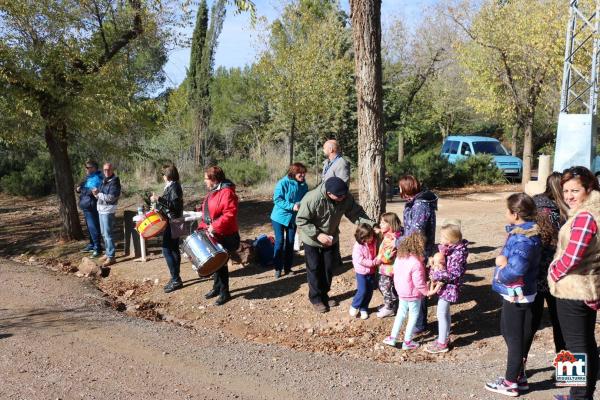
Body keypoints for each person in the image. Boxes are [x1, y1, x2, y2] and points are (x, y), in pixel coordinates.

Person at [548, 166, 600, 400]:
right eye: (565, 190)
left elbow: (572, 256)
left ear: (589, 189)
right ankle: (582, 394)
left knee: (573, 348)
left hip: (573, 289)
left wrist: (555, 272)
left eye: (575, 190)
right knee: (585, 344)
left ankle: (577, 396)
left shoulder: (585, 216)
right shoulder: (593, 212)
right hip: (585, 287)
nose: (568, 195)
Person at [485, 193, 541, 397]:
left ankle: (510, 382)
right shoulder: (523, 233)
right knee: (514, 335)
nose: (505, 213)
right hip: (521, 293)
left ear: (515, 214)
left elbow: (517, 270)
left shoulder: (523, 239)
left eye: (507, 210)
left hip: (516, 294)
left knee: (513, 336)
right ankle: (520, 377)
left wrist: (501, 270)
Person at [296, 176, 374, 313]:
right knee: (314, 268)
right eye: (339, 196)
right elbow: (301, 220)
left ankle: (324, 295)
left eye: (344, 195)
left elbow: (356, 214)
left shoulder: (344, 197)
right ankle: (316, 298)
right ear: (329, 193)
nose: (343, 198)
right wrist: (318, 234)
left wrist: (373, 225)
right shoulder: (312, 198)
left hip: (331, 238)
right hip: (311, 239)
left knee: (328, 268)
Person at [524, 173, 567, 363]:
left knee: (532, 323)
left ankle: (516, 372)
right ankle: (566, 372)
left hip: (542, 275)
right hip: (550, 275)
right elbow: (535, 244)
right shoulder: (549, 212)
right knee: (559, 324)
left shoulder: (539, 208)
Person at [398, 175, 438, 333]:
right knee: (412, 284)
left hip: (418, 252)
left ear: (406, 188)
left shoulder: (420, 205)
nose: (399, 189)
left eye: (400, 186)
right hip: (412, 250)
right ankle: (415, 319)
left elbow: (416, 233)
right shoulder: (413, 203)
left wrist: (397, 242)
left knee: (418, 285)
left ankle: (419, 323)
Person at [424, 220, 469, 354]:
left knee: (441, 313)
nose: (441, 239)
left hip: (450, 287)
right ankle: (444, 336)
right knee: (445, 312)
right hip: (445, 286)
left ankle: (442, 343)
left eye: (443, 237)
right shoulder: (450, 249)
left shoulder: (457, 254)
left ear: (451, 239)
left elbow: (455, 273)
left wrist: (437, 274)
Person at [198, 166, 240, 306]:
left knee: (221, 264)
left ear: (213, 179)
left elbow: (229, 214)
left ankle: (225, 293)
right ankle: (216, 288)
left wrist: (215, 226)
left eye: (206, 178)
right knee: (215, 262)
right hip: (215, 233)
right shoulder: (213, 191)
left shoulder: (226, 192)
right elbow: (209, 213)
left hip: (226, 234)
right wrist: (202, 227)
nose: (204, 181)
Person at [382, 233, 432, 350]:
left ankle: (392, 337)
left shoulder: (400, 258)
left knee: (400, 314)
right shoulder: (416, 263)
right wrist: (426, 292)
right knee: (413, 316)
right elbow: (419, 282)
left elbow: (395, 273)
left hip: (401, 292)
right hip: (413, 294)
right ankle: (407, 341)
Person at [270, 163, 309, 279]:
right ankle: (277, 268)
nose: (302, 175)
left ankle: (287, 268)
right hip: (279, 217)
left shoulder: (304, 185)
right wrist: (292, 206)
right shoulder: (283, 182)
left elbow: (305, 198)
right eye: (300, 173)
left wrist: (301, 205)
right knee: (280, 241)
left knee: (290, 242)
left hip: (293, 218)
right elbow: (277, 199)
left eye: (303, 173)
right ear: (293, 173)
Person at [150, 165, 184, 294]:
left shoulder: (174, 187)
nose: (162, 177)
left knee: (166, 250)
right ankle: (176, 278)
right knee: (174, 249)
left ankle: (176, 279)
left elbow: (174, 206)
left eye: (163, 174)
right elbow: (169, 204)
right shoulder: (172, 186)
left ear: (168, 175)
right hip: (173, 221)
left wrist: (159, 199)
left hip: (173, 221)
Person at [349, 223, 381, 320]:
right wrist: (373, 262)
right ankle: (354, 305)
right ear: (362, 238)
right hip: (361, 272)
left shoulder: (374, 240)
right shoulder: (358, 246)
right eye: (368, 237)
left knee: (369, 291)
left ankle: (364, 308)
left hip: (371, 271)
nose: (371, 239)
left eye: (371, 236)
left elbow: (377, 232)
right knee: (362, 290)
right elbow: (360, 260)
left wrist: (378, 230)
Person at [92, 162, 121, 267]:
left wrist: (98, 194)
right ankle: (107, 253)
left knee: (108, 234)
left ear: (112, 170)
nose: (106, 171)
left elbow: (111, 198)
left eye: (108, 169)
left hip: (108, 211)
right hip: (101, 210)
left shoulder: (115, 182)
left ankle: (111, 257)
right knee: (104, 234)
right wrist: (96, 194)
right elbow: (100, 196)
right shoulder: (104, 180)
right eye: (104, 170)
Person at [376, 212, 403, 318]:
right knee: (387, 287)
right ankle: (391, 304)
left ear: (390, 225)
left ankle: (389, 308)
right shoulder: (392, 235)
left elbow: (389, 256)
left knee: (385, 288)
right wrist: (379, 231)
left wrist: (379, 260)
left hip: (387, 269)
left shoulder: (391, 239)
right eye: (380, 222)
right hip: (387, 269)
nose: (380, 225)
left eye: (383, 223)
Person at [76, 160, 103, 258]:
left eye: (88, 167)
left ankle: (97, 248)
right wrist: (79, 188)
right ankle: (92, 245)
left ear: (94, 168)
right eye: (86, 167)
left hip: (91, 205)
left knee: (93, 227)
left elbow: (91, 191)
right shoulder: (89, 177)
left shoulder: (96, 178)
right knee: (90, 226)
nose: (86, 169)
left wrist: (82, 189)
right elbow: (81, 187)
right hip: (87, 205)